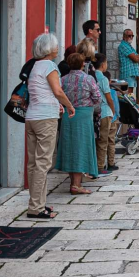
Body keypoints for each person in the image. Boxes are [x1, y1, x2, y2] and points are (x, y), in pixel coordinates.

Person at [25, 33, 74, 219]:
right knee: (43, 162)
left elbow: (41, 91)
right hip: (46, 118)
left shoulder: (34, 66)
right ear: (48, 49)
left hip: (32, 117)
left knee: (33, 163)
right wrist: (69, 105)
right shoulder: (49, 66)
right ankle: (36, 207)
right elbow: (58, 90)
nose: (58, 48)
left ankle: (37, 203)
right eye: (55, 46)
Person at [55, 49, 102, 192]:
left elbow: (57, 96)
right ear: (82, 64)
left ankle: (73, 182)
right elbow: (98, 98)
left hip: (68, 116)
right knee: (81, 146)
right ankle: (76, 185)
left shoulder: (62, 80)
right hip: (84, 115)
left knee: (70, 147)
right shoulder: (88, 79)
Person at [93, 54, 119, 174]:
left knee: (97, 140)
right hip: (104, 112)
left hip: (94, 111)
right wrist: (113, 110)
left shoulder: (91, 77)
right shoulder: (103, 79)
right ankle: (100, 166)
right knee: (104, 140)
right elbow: (109, 98)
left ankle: (97, 164)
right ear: (103, 64)